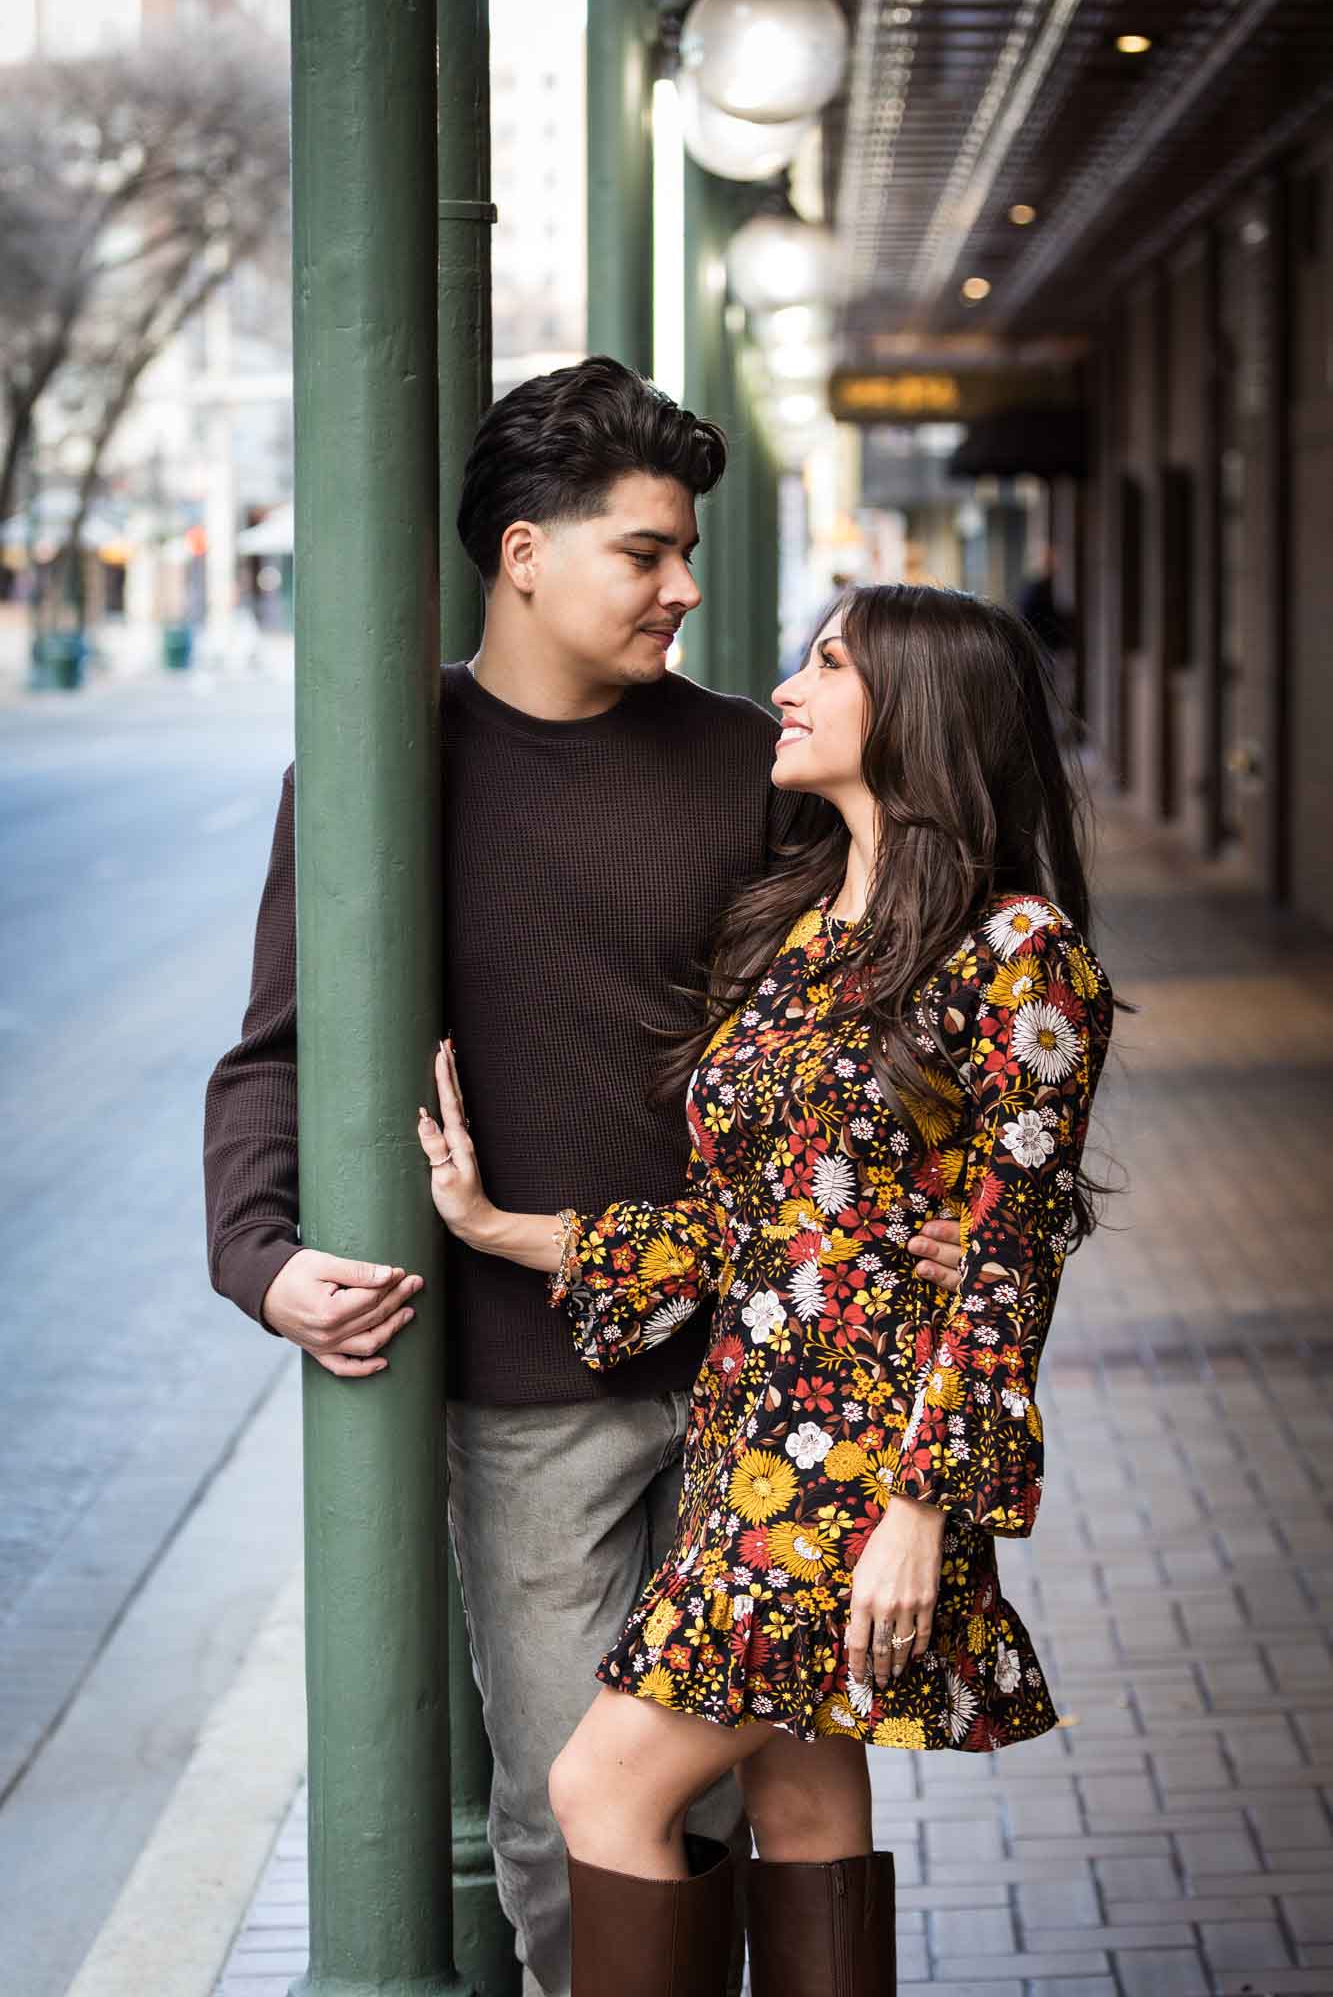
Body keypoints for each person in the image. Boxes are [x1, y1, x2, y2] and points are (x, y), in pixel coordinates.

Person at [202, 357, 964, 1997]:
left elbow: (879, 1017)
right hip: (533, 1385)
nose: (686, 587)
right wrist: (263, 1259)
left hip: (775, 1370)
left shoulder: (742, 770)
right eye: (646, 551)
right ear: (524, 553)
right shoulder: (372, 774)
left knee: (798, 1778)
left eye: (687, 548)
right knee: (578, 1805)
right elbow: (276, 1054)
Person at [417, 582, 1116, 1997]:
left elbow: (1007, 1263)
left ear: (918, 710)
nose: (786, 689)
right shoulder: (805, 925)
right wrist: (499, 1229)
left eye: (828, 664)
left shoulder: (1019, 956)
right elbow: (747, 1228)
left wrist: (920, 1514)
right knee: (800, 1808)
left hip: (854, 1476)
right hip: (754, 1435)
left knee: (601, 1789)